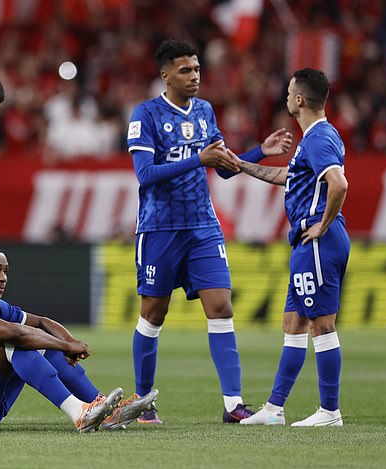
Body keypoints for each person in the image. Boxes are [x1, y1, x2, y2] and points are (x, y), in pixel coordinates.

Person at [126, 39, 293, 424]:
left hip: (202, 226)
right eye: (186, 70)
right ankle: (142, 402)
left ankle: (233, 404)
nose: (194, 76)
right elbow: (146, 175)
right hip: (159, 228)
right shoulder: (146, 115)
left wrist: (258, 151)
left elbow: (221, 167)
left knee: (221, 307)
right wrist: (196, 158)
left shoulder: (204, 112)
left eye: (197, 69)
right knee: (153, 314)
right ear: (165, 75)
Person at [0, 246, 159, 432]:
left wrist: (68, 341)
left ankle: (104, 408)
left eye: (5, 271)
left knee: (38, 340)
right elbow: (16, 334)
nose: (3, 278)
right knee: (14, 343)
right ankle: (79, 413)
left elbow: (41, 322)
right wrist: (65, 345)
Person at [238, 68, 349, 426]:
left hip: (317, 241)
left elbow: (339, 184)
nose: (286, 97)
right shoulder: (315, 139)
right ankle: (274, 409)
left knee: (322, 325)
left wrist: (323, 225)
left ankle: (330, 411)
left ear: (299, 99)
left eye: (289, 92)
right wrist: (242, 165)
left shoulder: (318, 138)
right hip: (305, 242)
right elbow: (291, 176)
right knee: (294, 323)